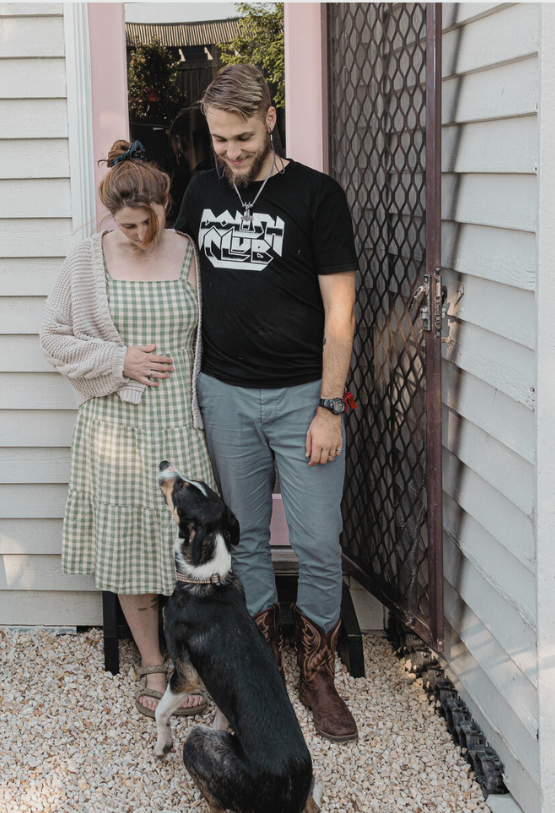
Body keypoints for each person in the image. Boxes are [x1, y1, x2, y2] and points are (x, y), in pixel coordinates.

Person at [174, 65, 359, 742]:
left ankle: (316, 674)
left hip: (300, 399)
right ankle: (258, 671)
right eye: (219, 138)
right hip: (222, 394)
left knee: (315, 538)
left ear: (270, 118)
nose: (230, 150)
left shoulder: (316, 194)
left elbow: (340, 312)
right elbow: (169, 276)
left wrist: (329, 406)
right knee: (244, 538)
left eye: (242, 136)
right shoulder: (199, 190)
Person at [40, 140, 216, 719]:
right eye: (125, 225)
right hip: (115, 424)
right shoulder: (87, 259)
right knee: (127, 542)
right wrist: (119, 362)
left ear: (165, 206)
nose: (137, 234)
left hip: (179, 422)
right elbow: (55, 337)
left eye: (145, 223)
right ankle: (153, 665)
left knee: (187, 542)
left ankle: (191, 659)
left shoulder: (190, 253)